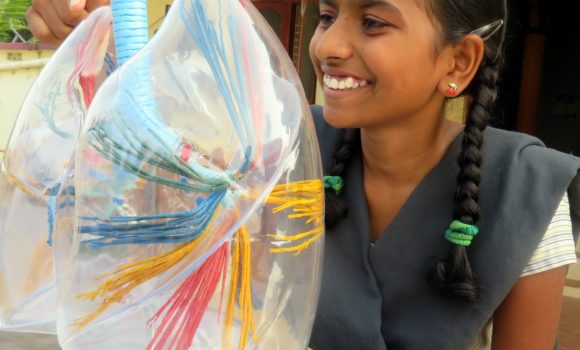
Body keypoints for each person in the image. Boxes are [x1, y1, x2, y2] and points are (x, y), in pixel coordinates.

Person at [27, 0, 580, 349]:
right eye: (325, 16)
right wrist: (99, 52)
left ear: (458, 62)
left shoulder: (525, 189)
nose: (329, 46)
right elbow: (156, 169)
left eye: (372, 22)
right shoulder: (281, 146)